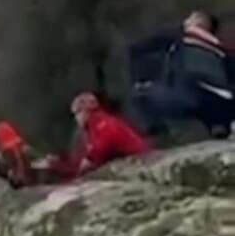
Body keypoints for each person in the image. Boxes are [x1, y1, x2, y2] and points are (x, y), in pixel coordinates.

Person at [130, 11, 234, 141]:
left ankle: (158, 132)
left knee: (143, 94)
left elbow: (140, 46)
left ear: (199, 21)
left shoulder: (181, 35)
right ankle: (218, 124)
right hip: (216, 97)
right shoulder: (221, 49)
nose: (187, 20)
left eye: (191, 18)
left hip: (188, 93)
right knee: (211, 99)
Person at [60, 92, 151, 176]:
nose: (76, 118)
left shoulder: (101, 122)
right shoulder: (90, 129)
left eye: (76, 113)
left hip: (138, 161)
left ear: (85, 111)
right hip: (129, 162)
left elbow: (105, 142)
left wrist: (90, 158)